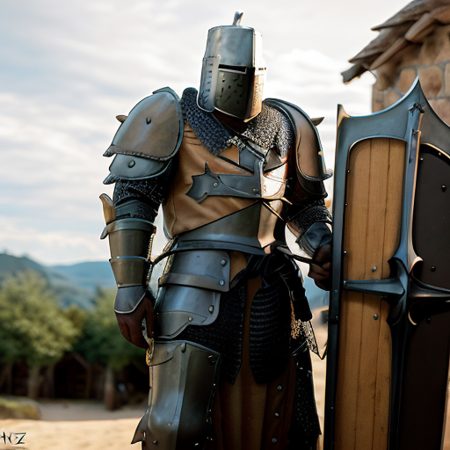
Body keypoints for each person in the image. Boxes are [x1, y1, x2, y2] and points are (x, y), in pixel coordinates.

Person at [100, 12, 332, 450]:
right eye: (231, 71)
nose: (241, 80)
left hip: (274, 294)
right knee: (179, 428)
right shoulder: (169, 115)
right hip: (195, 293)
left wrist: (322, 247)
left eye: (250, 72)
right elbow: (134, 200)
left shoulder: (289, 124)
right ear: (211, 68)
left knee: (284, 427)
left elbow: (306, 207)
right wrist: (130, 288)